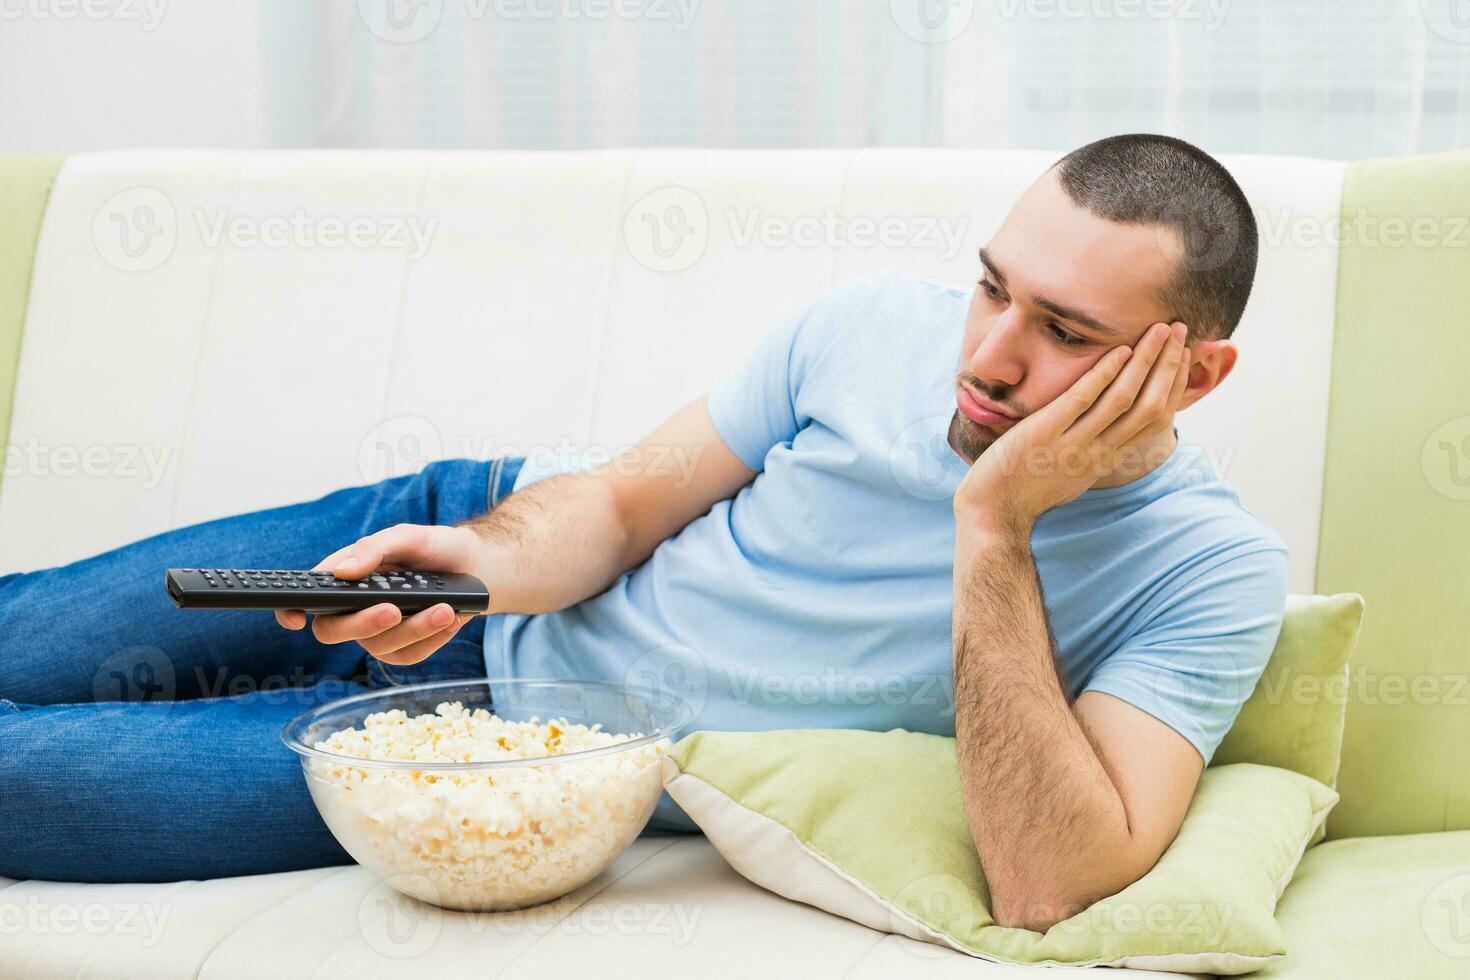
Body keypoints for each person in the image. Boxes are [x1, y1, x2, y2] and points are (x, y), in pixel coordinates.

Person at [0, 134, 1286, 930]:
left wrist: (996, 525)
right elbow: (622, 501)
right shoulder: (865, 324)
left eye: (1067, 334)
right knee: (24, 632)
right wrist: (486, 564)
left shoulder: (1209, 571)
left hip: (527, 765)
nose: (989, 360)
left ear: (1196, 372)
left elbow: (1050, 882)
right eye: (993, 289)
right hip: (474, 552)